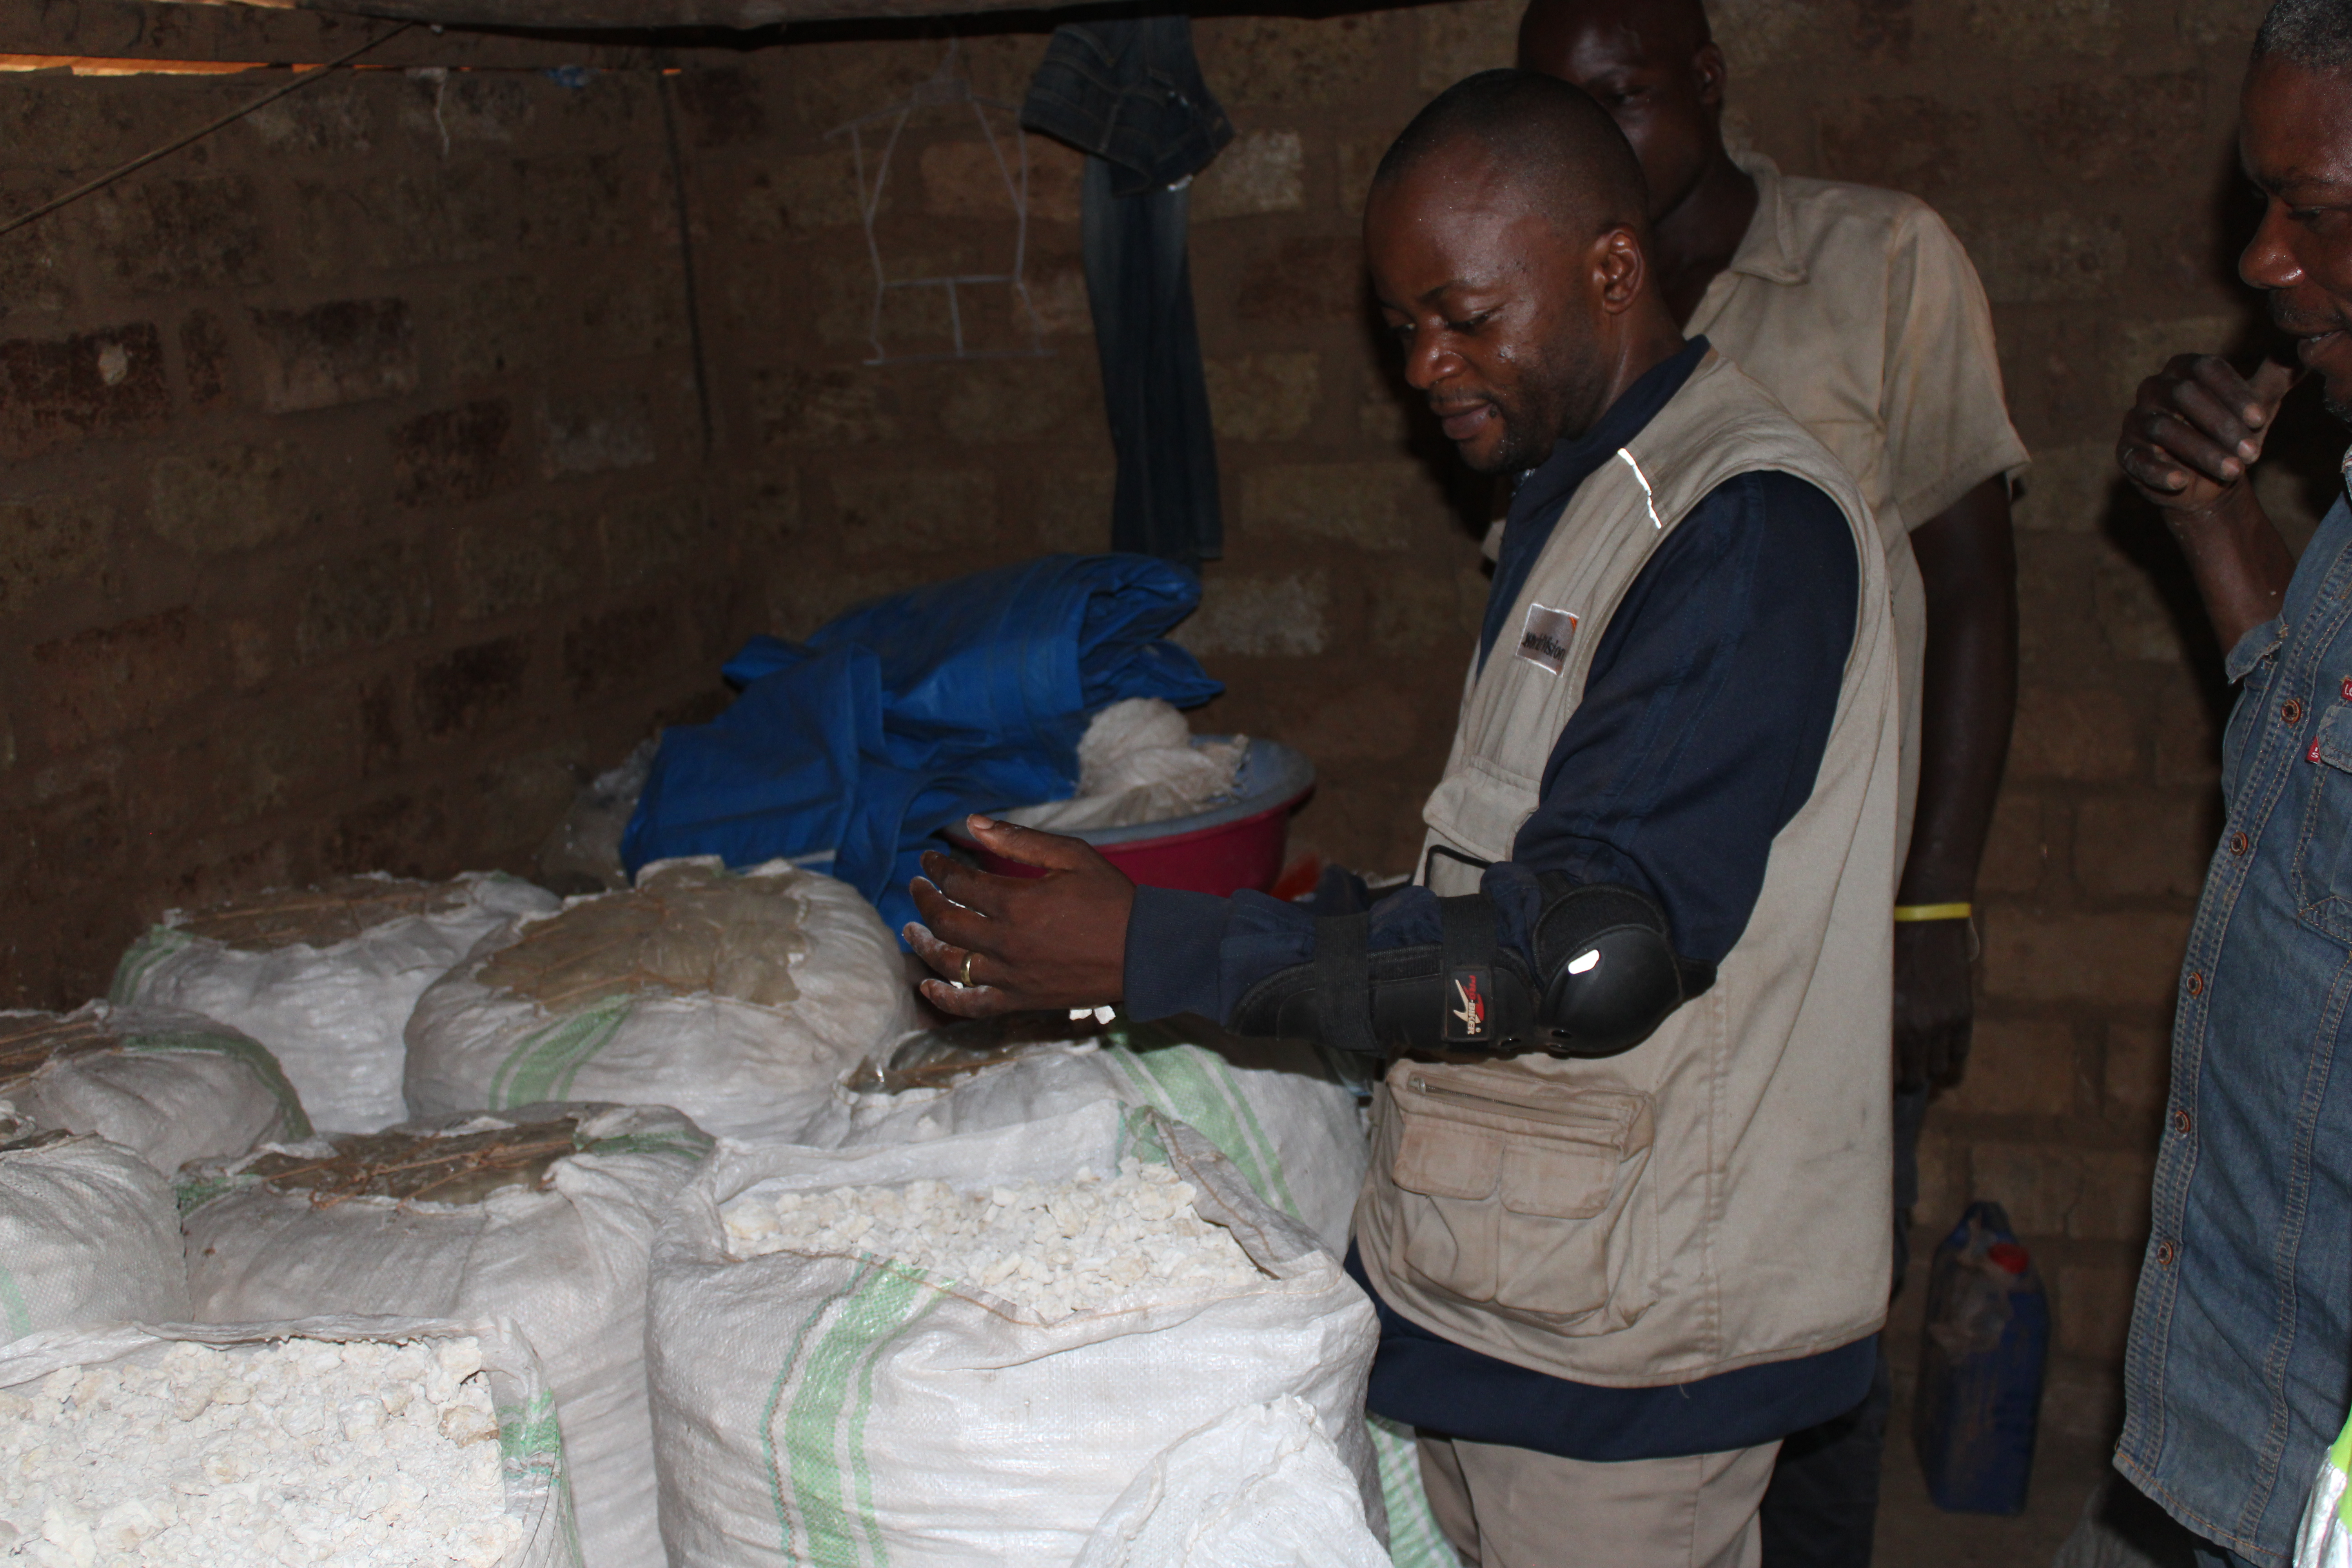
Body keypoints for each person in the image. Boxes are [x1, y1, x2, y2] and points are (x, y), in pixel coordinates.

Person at [904, 68, 1903, 1568]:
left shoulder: (1741, 529)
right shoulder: (1586, 497)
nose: (1428, 365)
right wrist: (1154, 921)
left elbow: (1586, 958)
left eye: (1467, 315)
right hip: (1523, 1300)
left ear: (1611, 268)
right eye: (1402, 329)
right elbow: (1511, 878)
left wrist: (1156, 950)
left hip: (1632, 1352)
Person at [1513, 4, 2027, 1559]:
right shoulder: (1567, 310)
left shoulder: (1881, 264)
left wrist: (1932, 895)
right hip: (1632, 922)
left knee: (1816, 1342)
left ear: (1711, 82)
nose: (1603, 135)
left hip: (1825, 937)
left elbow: (1978, 596)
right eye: (1567, 110)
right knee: (1648, 1313)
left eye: (1629, 95)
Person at [2112, 5, 2352, 1565]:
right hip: (2258, 1424)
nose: (2262, 260)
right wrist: (2213, 524)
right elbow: (2308, 770)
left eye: (2317, 212)